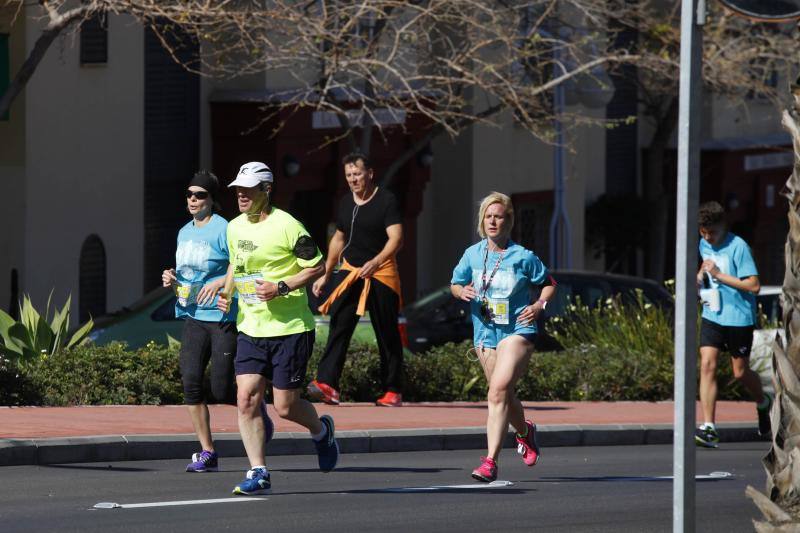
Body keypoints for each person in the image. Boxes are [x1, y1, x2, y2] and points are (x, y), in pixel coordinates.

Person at [217, 161, 339, 495]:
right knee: (246, 398)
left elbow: (315, 266)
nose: (241, 195)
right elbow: (235, 264)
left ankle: (320, 430)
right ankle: (258, 471)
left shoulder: (289, 226)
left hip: (290, 328)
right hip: (250, 328)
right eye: (238, 189)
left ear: (266, 190)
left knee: (285, 407)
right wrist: (227, 292)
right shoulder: (234, 227)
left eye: (248, 189)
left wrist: (281, 287)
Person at [161, 170, 273, 473]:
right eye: (190, 194)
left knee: (222, 389)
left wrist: (222, 283)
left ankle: (258, 409)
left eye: (200, 195)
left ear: (212, 199)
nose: (194, 200)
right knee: (191, 383)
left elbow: (241, 265)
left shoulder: (226, 229)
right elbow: (187, 274)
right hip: (193, 315)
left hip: (222, 316)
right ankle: (207, 451)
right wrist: (170, 278)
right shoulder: (184, 232)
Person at [450, 192, 556, 482]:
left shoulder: (523, 256)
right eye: (488, 216)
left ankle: (490, 461)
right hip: (485, 333)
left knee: (497, 391)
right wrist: (462, 292)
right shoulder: (472, 254)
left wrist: (538, 306)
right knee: (504, 393)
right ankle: (525, 432)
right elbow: (455, 284)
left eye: (498, 216)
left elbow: (548, 285)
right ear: (482, 221)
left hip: (518, 330)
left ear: (508, 220)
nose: (493, 221)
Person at [308, 152, 405, 407]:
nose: (353, 179)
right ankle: (328, 384)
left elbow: (396, 238)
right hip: (350, 270)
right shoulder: (345, 203)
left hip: (381, 272)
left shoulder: (386, 200)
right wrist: (326, 273)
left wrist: (375, 261)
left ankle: (393, 389)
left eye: (357, 174)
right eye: (349, 175)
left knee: (386, 331)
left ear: (370, 173)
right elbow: (338, 239)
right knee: (339, 323)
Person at [695, 200, 772, 448]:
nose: (708, 238)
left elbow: (754, 286)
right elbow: (707, 267)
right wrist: (702, 276)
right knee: (707, 365)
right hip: (712, 314)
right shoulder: (704, 243)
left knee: (740, 373)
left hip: (738, 318)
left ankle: (764, 402)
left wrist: (719, 275)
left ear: (723, 227)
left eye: (712, 233)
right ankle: (709, 427)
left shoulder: (739, 247)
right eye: (703, 233)